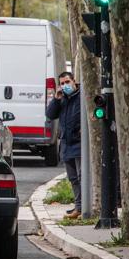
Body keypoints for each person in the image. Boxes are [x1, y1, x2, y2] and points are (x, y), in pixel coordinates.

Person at [46, 71, 81, 219]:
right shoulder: (62, 99)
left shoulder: (81, 97)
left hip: (79, 144)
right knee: (73, 178)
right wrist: (56, 99)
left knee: (82, 176)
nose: (65, 85)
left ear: (74, 81)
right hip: (66, 144)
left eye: (67, 82)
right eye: (62, 83)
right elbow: (50, 114)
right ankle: (78, 207)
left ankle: (83, 207)